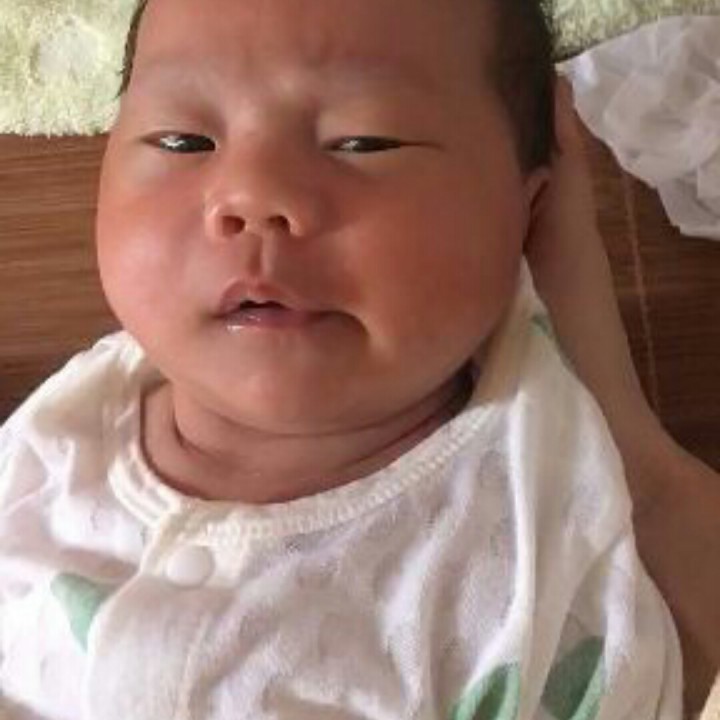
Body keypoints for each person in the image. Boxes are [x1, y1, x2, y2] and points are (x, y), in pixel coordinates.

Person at [0, 0, 702, 716]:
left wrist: (637, 459)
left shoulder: (547, 525)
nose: (251, 195)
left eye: (364, 141)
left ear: (532, 209)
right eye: (183, 141)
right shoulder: (48, 445)